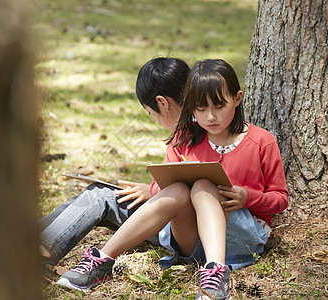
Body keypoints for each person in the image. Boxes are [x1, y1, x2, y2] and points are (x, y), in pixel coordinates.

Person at [57, 59, 288, 300]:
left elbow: (280, 199)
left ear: (237, 98)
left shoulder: (262, 141)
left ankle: (216, 278)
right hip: (192, 239)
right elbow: (160, 189)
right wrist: (173, 177)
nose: (210, 116)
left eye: (219, 106)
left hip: (242, 236)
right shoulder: (184, 137)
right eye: (200, 109)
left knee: (203, 185)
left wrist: (247, 197)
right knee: (179, 189)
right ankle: (102, 261)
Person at [39, 57, 190, 274]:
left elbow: (189, 185)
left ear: (162, 103)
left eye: (150, 113)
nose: (153, 120)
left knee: (99, 196)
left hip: (176, 228)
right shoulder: (201, 126)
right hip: (170, 220)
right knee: (92, 195)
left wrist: (153, 190)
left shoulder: (190, 134)